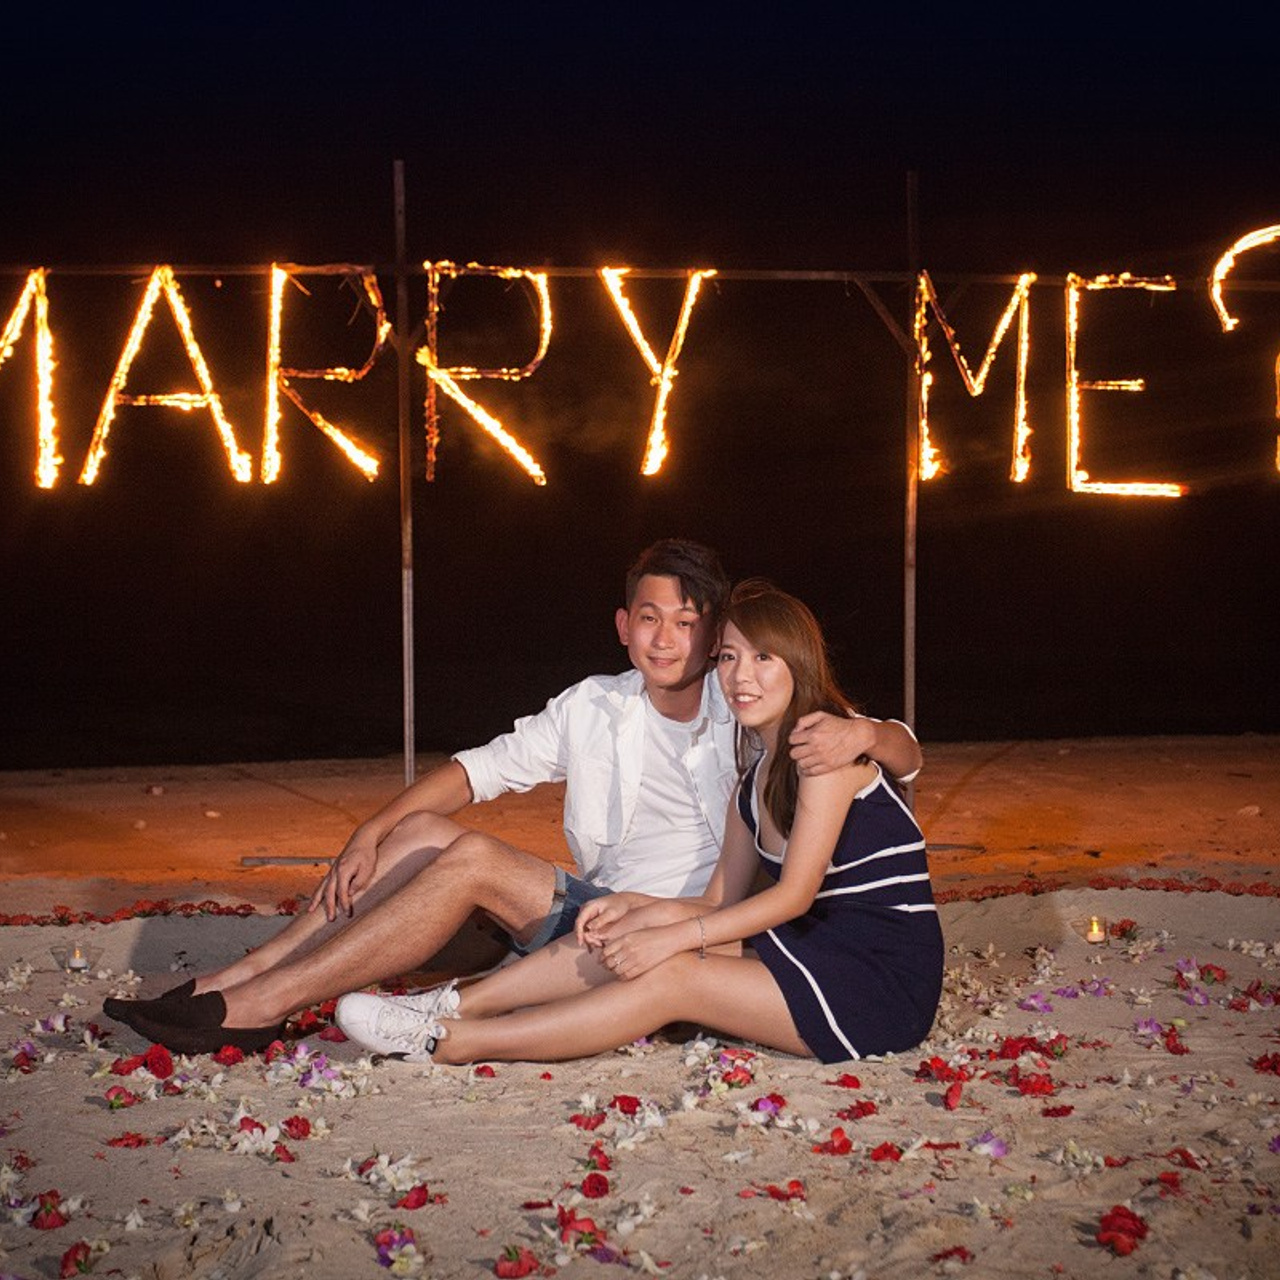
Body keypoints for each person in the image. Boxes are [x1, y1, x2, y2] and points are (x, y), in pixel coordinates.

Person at [105, 542, 922, 1055]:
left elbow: (887, 748)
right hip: (604, 911)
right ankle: (250, 973)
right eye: (649, 620)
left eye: (688, 623)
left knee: (470, 857)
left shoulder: (743, 708)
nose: (668, 640)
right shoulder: (594, 705)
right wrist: (369, 829)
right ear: (622, 625)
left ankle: (269, 1004)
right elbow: (475, 771)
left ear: (712, 635)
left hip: (680, 934)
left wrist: (868, 734)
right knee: (425, 826)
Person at [336, 579, 943, 1067]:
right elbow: (716, 899)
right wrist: (631, 905)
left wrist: (669, 936)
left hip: (876, 979)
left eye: (764, 657)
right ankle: (451, 1004)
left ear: (799, 664)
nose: (741, 676)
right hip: (811, 948)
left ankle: (454, 1042)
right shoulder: (752, 778)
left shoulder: (826, 750)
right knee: (629, 925)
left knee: (673, 971)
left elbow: (794, 894)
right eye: (729, 657)